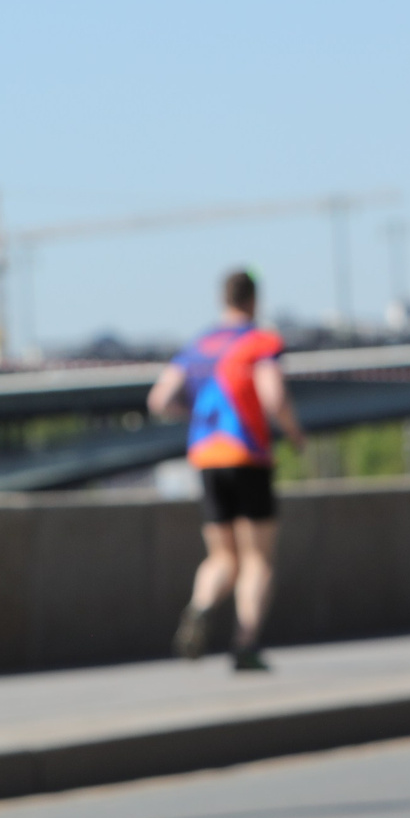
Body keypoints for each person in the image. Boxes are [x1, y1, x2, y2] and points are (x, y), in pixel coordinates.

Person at [148, 267, 307, 671]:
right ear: (254, 300)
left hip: (206, 457)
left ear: (223, 299)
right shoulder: (260, 341)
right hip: (248, 454)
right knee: (257, 559)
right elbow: (273, 395)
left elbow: (160, 399)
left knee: (221, 557)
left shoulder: (198, 344)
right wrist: (293, 432)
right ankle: (245, 643)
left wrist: (196, 414)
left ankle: (200, 607)